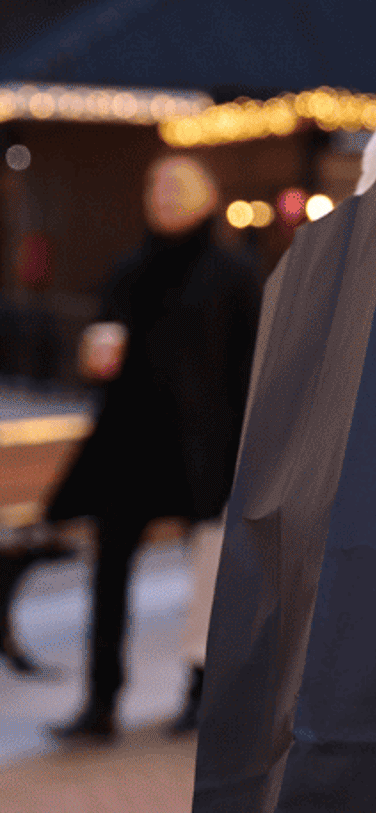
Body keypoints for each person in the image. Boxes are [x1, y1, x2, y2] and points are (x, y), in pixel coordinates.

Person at [45, 154, 261, 741]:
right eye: (155, 186)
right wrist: (94, 361)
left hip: (203, 453)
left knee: (212, 577)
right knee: (108, 571)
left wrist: (244, 451)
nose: (162, 196)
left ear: (207, 198)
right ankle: (101, 701)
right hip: (130, 448)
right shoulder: (130, 269)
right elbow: (101, 343)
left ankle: (201, 693)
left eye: (176, 187)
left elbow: (253, 367)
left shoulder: (234, 275)